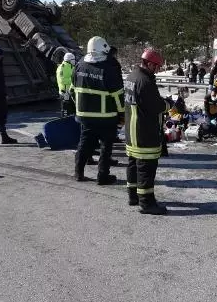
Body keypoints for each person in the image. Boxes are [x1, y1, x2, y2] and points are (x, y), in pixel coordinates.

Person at [124, 48, 174, 214]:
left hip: (132, 132)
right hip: (144, 132)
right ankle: (147, 203)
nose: (158, 70)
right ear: (150, 64)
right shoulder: (145, 81)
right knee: (146, 168)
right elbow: (156, 106)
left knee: (133, 165)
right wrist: (169, 104)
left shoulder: (132, 76)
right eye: (157, 66)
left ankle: (133, 196)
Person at [71, 36, 124, 185]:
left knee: (84, 143)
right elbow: (118, 93)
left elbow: (73, 87)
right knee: (106, 146)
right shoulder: (108, 67)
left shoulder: (80, 65)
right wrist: (122, 113)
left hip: (84, 116)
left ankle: (78, 172)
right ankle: (102, 176)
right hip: (106, 116)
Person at [56, 52, 76, 117]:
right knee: (65, 111)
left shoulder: (72, 67)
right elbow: (62, 80)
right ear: (69, 60)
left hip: (71, 92)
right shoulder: (61, 68)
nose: (74, 61)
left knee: (73, 110)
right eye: (73, 59)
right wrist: (74, 80)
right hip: (65, 93)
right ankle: (64, 122)